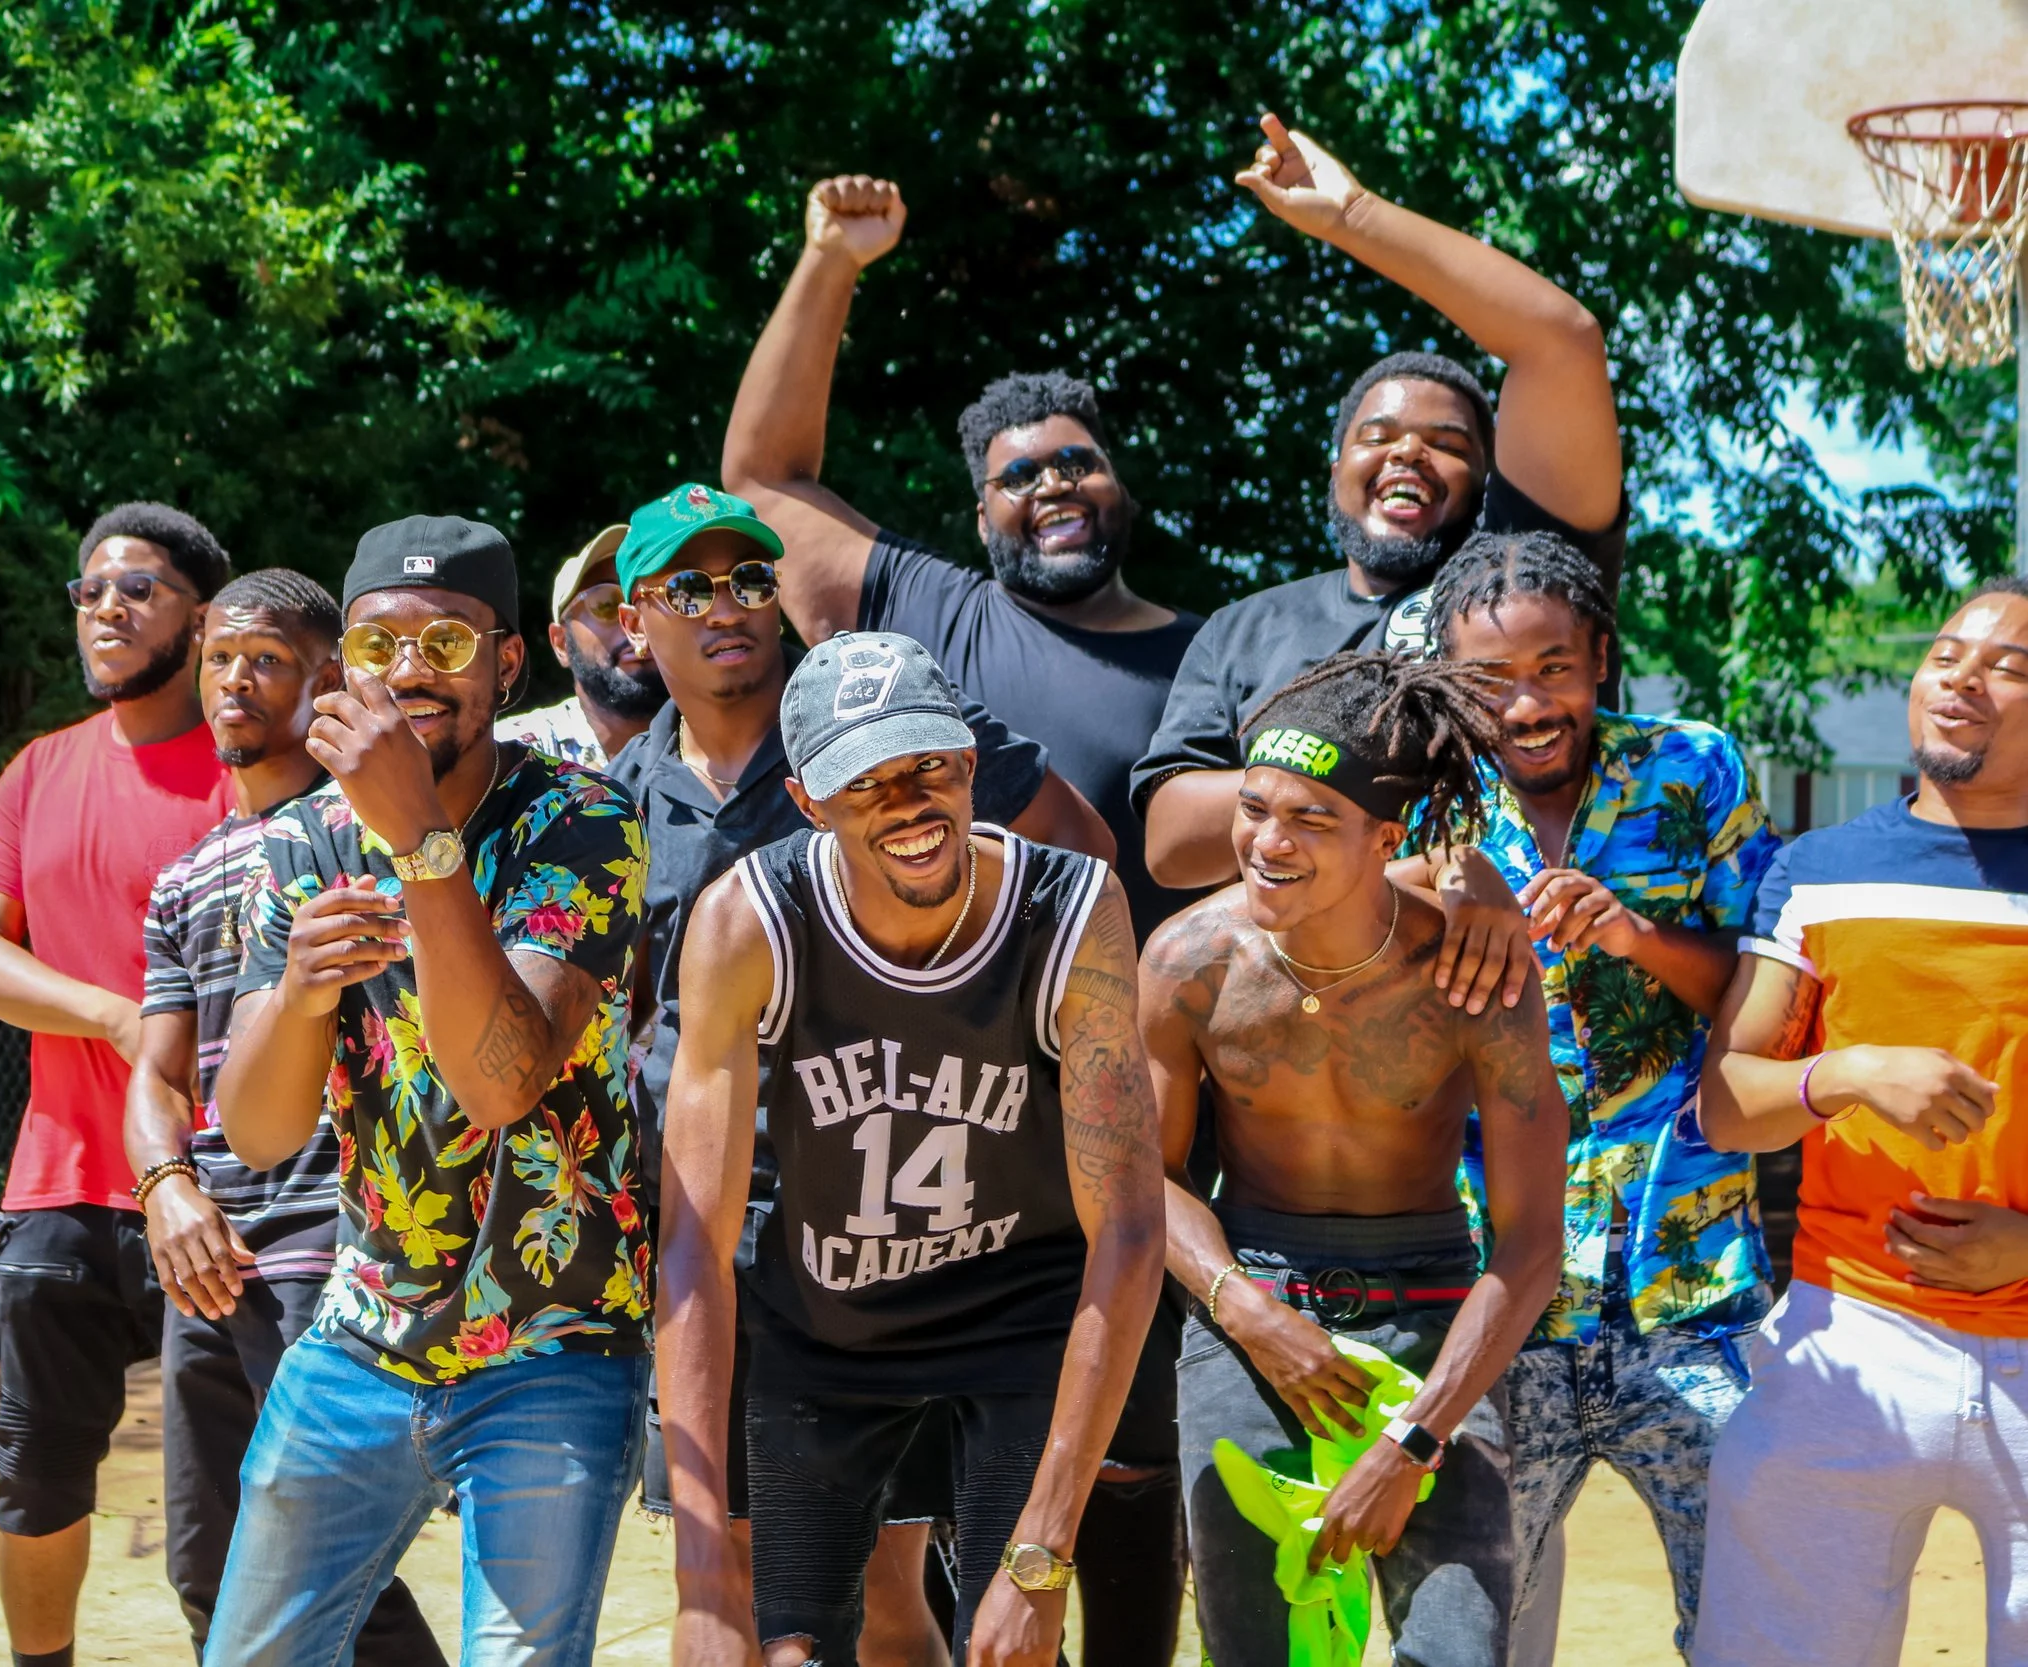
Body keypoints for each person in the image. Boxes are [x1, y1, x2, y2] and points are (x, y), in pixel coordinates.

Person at [607, 482, 1100, 1667]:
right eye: (689, 585)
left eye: (748, 577)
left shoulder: (879, 727)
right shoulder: (617, 794)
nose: (725, 605)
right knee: (732, 1583)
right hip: (713, 1229)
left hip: (891, 1211)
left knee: (887, 1584)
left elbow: (1071, 865)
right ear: (634, 618)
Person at [201, 516, 653, 1667]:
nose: (410, 669)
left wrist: (420, 839)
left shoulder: (579, 822)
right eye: (378, 643)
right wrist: (299, 993)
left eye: (446, 642)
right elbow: (256, 1135)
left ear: (508, 662)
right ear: (342, 667)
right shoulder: (304, 841)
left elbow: (501, 1082)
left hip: (554, 1345)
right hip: (362, 1337)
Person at [1137, 651, 1569, 1667]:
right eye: (1253, 808)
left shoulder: (1470, 974)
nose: (1267, 843)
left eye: (1311, 820)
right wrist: (1244, 1310)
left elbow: (1531, 1244)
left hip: (1435, 1309)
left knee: (1460, 1648)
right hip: (1251, 1299)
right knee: (1260, 1651)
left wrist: (1417, 1436)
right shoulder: (1188, 962)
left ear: (1386, 836)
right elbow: (1142, 1176)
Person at [1417, 532, 1783, 1663]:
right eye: (1490, 679)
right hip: (1498, 1298)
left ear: (1602, 659)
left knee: (1750, 1621)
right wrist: (1434, 881)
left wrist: (1633, 933)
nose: (1527, 705)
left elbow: (1770, 990)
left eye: (1554, 669)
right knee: (1476, 1631)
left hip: (1695, 1288)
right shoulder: (1418, 801)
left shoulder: (1697, 768)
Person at [1134, 114, 1625, 923]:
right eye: (1378, 436)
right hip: (1309, 994)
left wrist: (1355, 216)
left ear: (1488, 479)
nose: (1408, 453)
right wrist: (1344, 759)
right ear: (1335, 471)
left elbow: (1563, 341)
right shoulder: (1243, 628)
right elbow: (1169, 842)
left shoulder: (1525, 583)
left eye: (1447, 444)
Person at [721, 173, 1199, 946]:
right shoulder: (929, 613)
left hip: (1151, 1017)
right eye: (1019, 476)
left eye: (1078, 463)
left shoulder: (1216, 655)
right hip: (957, 1022)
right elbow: (763, 485)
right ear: (981, 517)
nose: (1054, 485)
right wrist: (830, 261)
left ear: (1121, 486)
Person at [1693, 578, 2028, 1667]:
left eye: (2009, 666)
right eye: (1946, 654)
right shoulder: (1816, 872)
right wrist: (1848, 1070)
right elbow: (1727, 1104)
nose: (1963, 679)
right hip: (1850, 1337)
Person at [122, 568, 446, 1666]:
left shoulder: (372, 836)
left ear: (327, 677)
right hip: (209, 1252)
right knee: (208, 1569)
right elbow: (156, 1073)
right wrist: (166, 1189)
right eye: (219, 656)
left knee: (333, 1568)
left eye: (265, 659)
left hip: (335, 1238)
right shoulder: (183, 876)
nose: (234, 680)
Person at [0, 501, 235, 1667]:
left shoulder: (255, 770)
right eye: (91, 589)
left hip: (222, 1187)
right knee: (36, 1465)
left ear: (202, 620)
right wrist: (118, 1016)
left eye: (139, 588)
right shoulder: (39, 769)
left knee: (228, 1489)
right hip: (60, 1182)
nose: (106, 608)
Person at [497, 523, 666, 766]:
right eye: (607, 603)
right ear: (561, 643)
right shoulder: (508, 757)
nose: (634, 621)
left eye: (649, 600)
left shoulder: (720, 747)